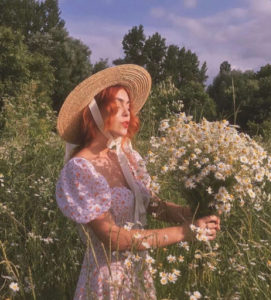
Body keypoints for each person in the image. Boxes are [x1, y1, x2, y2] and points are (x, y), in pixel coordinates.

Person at [55, 64, 221, 300]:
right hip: (107, 280)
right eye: (118, 103)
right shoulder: (80, 168)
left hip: (138, 273)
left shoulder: (127, 159)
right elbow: (112, 238)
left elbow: (154, 206)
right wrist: (187, 232)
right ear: (95, 111)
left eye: (128, 105)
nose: (127, 112)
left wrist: (196, 212)